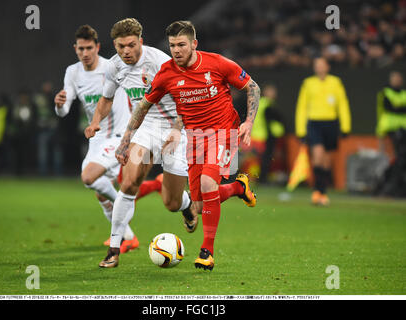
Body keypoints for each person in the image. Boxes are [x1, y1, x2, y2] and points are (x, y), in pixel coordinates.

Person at [114, 20, 259, 271]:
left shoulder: (218, 63)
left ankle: (207, 253)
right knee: (200, 205)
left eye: (181, 44)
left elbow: (252, 87)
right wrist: (126, 140)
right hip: (195, 138)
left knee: (206, 184)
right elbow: (143, 106)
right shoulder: (167, 74)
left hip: (223, 131)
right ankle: (237, 188)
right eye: (172, 46)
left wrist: (248, 121)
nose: (176, 50)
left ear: (194, 44)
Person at [85, 18, 199, 269]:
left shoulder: (160, 62)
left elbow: (188, 101)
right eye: (120, 46)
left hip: (176, 129)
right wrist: (95, 122)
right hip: (147, 128)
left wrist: (178, 130)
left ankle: (186, 204)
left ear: (141, 42)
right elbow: (106, 99)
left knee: (170, 202)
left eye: (131, 45)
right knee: (128, 181)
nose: (126, 51)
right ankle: (114, 249)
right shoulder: (114, 67)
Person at [55, 25, 149, 252]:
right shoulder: (73, 72)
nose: (84, 53)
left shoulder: (112, 66)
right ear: (75, 49)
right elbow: (65, 109)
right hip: (96, 139)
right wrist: (59, 105)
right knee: (98, 189)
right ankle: (129, 236)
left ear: (97, 47)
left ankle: (124, 203)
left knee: (88, 176)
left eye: (89, 48)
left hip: (119, 135)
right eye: (80, 49)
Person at [295, 57, 351, 206]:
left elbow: (342, 104)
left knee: (327, 160)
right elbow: (302, 107)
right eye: (316, 65)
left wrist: (346, 126)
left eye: (321, 65)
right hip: (314, 123)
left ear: (327, 67)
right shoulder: (308, 83)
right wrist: (301, 130)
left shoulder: (335, 82)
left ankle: (323, 192)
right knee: (317, 156)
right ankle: (317, 191)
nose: (319, 68)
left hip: (331, 123)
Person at [375, 71, 406, 197]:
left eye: (399, 78)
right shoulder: (385, 92)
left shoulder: (403, 93)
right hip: (389, 130)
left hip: (403, 129)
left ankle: (398, 186)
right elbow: (389, 108)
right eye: (395, 79)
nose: (397, 81)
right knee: (393, 159)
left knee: (401, 158)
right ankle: (389, 187)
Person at [249, 84, 285, 183]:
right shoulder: (266, 104)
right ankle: (261, 179)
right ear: (265, 92)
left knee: (259, 159)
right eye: (270, 91)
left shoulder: (260, 103)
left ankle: (258, 178)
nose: (273, 94)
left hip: (257, 135)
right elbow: (268, 120)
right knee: (263, 158)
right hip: (263, 136)